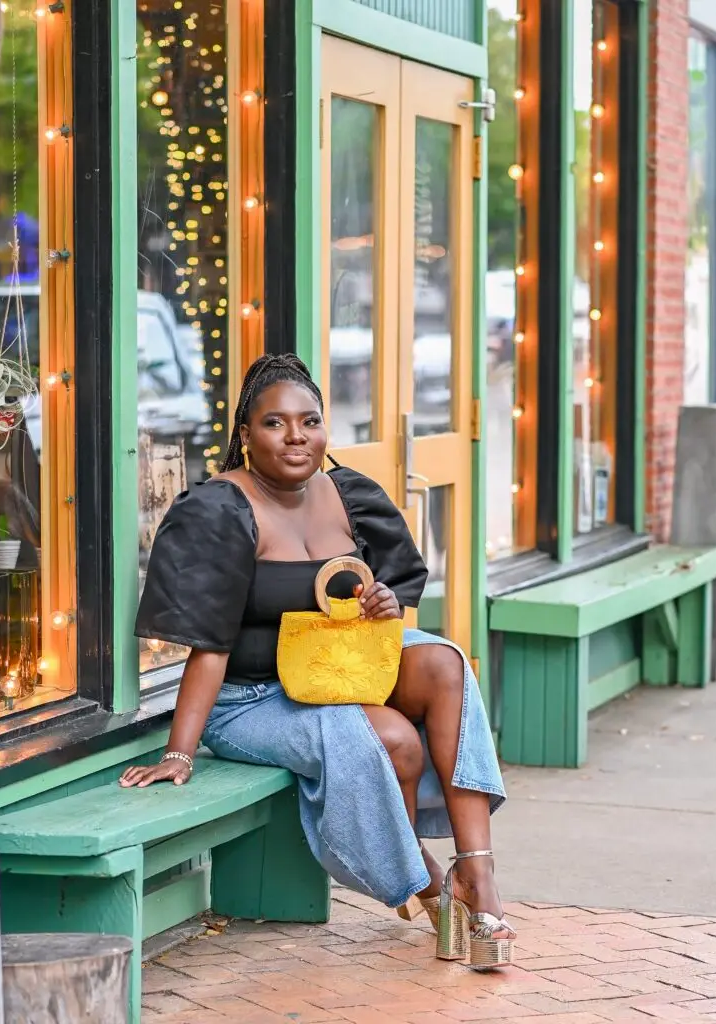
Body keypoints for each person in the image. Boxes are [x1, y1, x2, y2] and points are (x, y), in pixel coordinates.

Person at [120, 354, 515, 970]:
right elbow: (210, 646)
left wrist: (381, 600)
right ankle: (430, 887)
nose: (296, 436)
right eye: (275, 423)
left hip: (341, 665)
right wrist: (180, 751)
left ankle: (479, 875)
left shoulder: (349, 493)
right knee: (391, 741)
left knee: (446, 661)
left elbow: (385, 597)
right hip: (253, 697)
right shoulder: (220, 510)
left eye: (310, 421)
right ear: (245, 434)